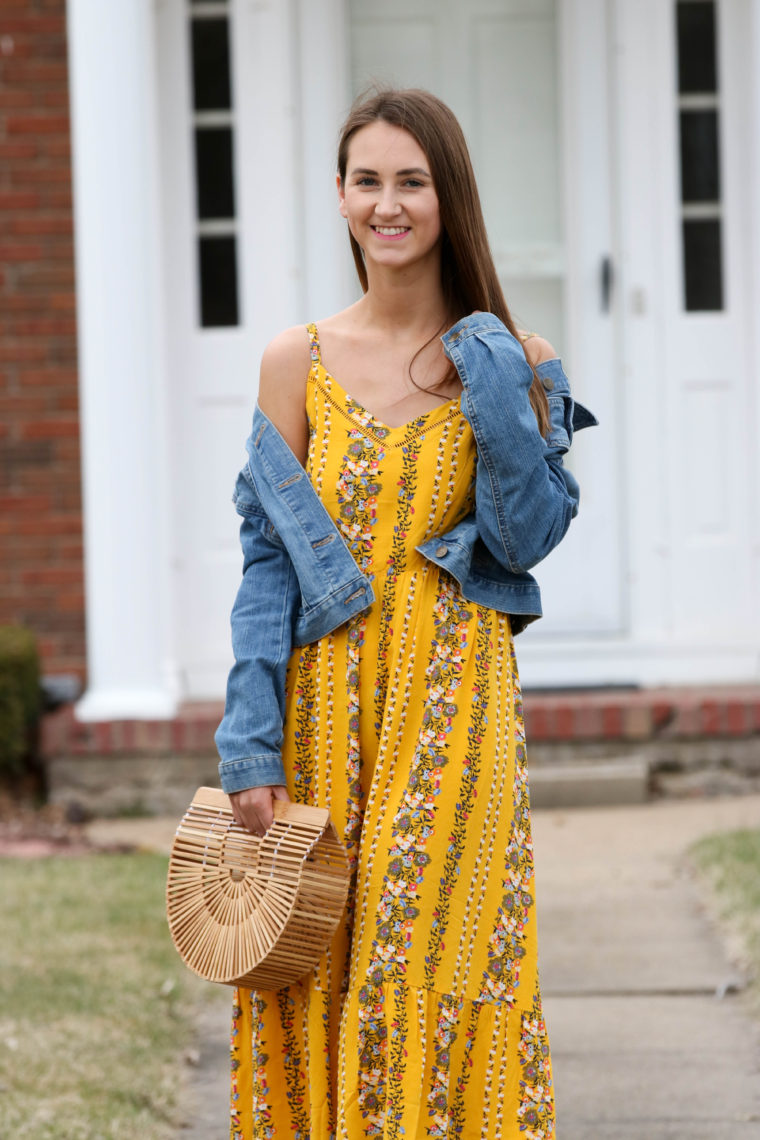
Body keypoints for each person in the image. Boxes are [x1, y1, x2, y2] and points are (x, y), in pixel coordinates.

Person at [215, 87, 596, 1140]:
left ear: (446, 197)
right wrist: (248, 741)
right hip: (326, 710)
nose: (388, 204)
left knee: (425, 955)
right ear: (340, 197)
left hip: (457, 704)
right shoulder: (295, 360)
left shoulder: (516, 360)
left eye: (411, 181)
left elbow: (525, 540)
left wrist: (495, 384)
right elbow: (264, 565)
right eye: (368, 180)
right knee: (326, 964)